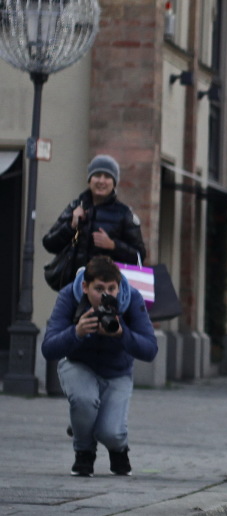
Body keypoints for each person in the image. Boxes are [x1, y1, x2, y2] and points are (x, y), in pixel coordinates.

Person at [41, 256, 158, 477]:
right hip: (78, 363)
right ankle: (84, 451)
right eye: (99, 289)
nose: (106, 295)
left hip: (117, 372)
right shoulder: (69, 296)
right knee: (84, 401)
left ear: (119, 285)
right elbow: (48, 348)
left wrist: (122, 334)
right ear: (85, 287)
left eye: (112, 288)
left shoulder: (131, 298)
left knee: (110, 432)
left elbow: (150, 350)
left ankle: (118, 448)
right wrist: (76, 333)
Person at [42, 155, 147, 288]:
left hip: (108, 290)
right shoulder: (75, 206)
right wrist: (71, 226)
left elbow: (139, 256)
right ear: (89, 180)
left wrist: (113, 245)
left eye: (107, 176)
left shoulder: (124, 214)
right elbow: (49, 243)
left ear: (114, 182)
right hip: (74, 287)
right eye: (97, 175)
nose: (101, 181)